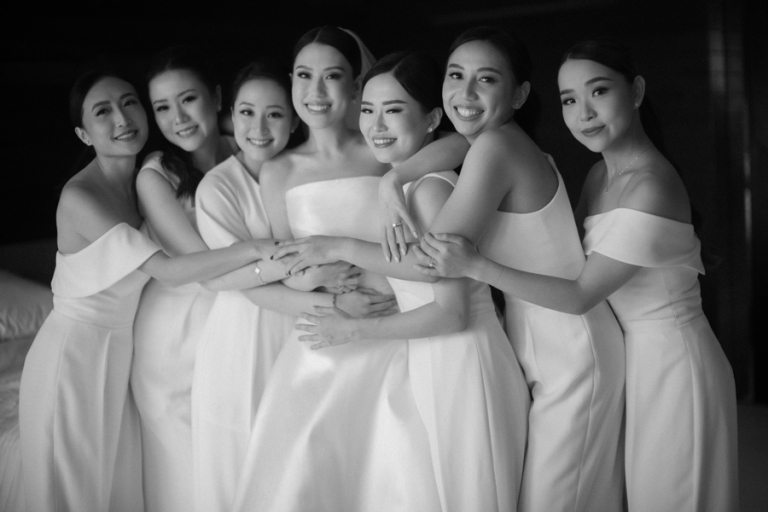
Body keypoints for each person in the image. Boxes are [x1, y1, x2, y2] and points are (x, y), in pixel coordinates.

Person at [415, 39, 739, 512]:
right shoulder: (599, 176)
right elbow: (472, 138)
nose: (584, 113)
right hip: (628, 355)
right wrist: (393, 179)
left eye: (599, 91)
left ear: (636, 91)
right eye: (569, 100)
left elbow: (581, 293)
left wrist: (476, 266)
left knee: (673, 498)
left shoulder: (651, 186)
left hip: (673, 362)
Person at [370, 27, 627, 512]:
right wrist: (393, 179)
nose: (464, 93)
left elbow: (432, 262)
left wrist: (334, 247)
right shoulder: (496, 140)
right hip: (547, 344)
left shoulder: (496, 148)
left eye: (485, 79)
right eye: (455, 75)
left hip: (571, 348)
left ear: (519, 94)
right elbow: (456, 144)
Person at [228, 28, 468, 512]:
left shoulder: (382, 147)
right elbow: (289, 267)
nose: (315, 91)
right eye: (303, 75)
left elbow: (466, 142)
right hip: (325, 339)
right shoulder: (278, 170)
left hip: (396, 333)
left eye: (332, 76)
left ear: (355, 86)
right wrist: (331, 295)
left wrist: (393, 180)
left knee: (395, 471)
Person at [281, 50, 531, 510]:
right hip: (436, 361)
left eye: (393, 110)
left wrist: (354, 329)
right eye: (368, 110)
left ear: (432, 118)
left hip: (465, 361)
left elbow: (452, 314)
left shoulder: (432, 190)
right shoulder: (410, 184)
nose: (375, 125)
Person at [18, 70, 276, 512]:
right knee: (72, 488)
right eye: (103, 111)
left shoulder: (144, 176)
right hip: (75, 352)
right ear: (83, 134)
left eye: (130, 102)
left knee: (118, 487)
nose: (122, 118)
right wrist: (254, 250)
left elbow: (230, 125)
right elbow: (169, 271)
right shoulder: (82, 196)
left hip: (123, 347)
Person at [190, 59, 392, 512]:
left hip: (303, 327)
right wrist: (322, 289)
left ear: (294, 117)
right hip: (250, 329)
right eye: (246, 112)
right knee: (250, 456)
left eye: (275, 114)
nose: (259, 128)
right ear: (230, 114)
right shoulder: (218, 188)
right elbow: (226, 282)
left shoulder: (295, 168)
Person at [130, 46, 236, 512]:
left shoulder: (249, 148)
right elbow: (204, 263)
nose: (178, 118)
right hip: (176, 334)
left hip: (239, 317)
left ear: (216, 97)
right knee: (187, 468)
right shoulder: (156, 176)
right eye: (162, 107)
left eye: (188, 99)